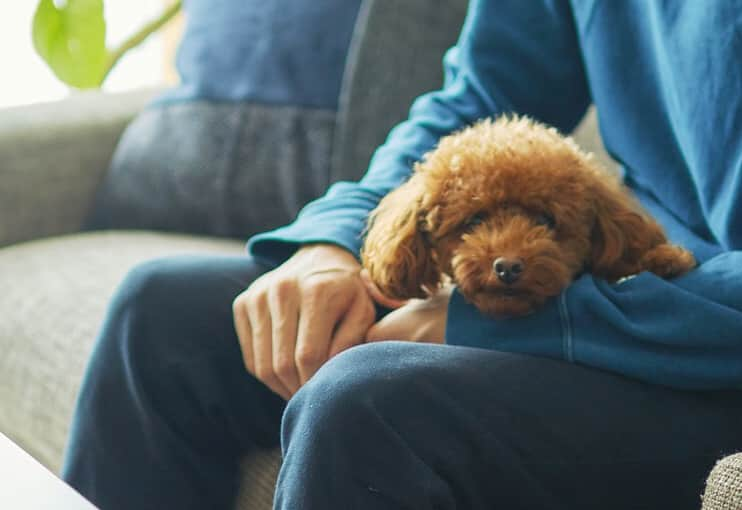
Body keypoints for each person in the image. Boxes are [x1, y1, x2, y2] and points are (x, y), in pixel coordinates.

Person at [62, 1, 742, 509]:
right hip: (635, 310)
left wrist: (515, 326)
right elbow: (480, 98)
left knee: (363, 403)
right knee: (161, 319)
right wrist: (335, 242)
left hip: (707, 360)